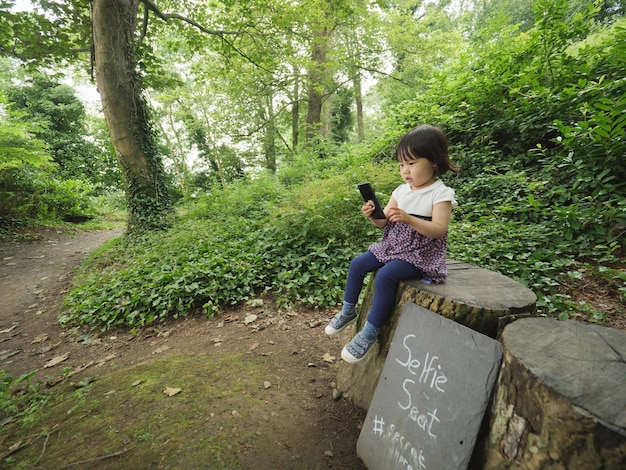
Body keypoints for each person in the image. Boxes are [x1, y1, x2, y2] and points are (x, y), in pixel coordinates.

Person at [325, 124, 459, 363]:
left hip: (420, 253)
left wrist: (409, 219)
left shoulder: (441, 193)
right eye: (401, 164)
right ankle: (348, 310)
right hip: (392, 245)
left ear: (434, 162)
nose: (405, 170)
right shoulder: (401, 190)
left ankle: (370, 332)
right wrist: (373, 214)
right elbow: (384, 223)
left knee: (386, 275)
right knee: (357, 264)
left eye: (412, 163)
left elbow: (439, 230)